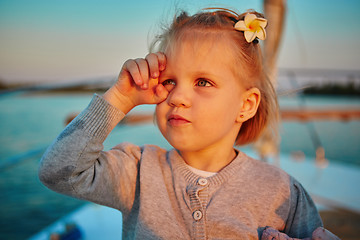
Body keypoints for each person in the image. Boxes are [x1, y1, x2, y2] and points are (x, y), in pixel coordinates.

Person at [39, 8, 324, 239]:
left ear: (246, 105)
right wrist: (120, 99)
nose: (177, 97)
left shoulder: (282, 193)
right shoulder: (137, 172)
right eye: (170, 81)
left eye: (203, 82)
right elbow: (57, 172)